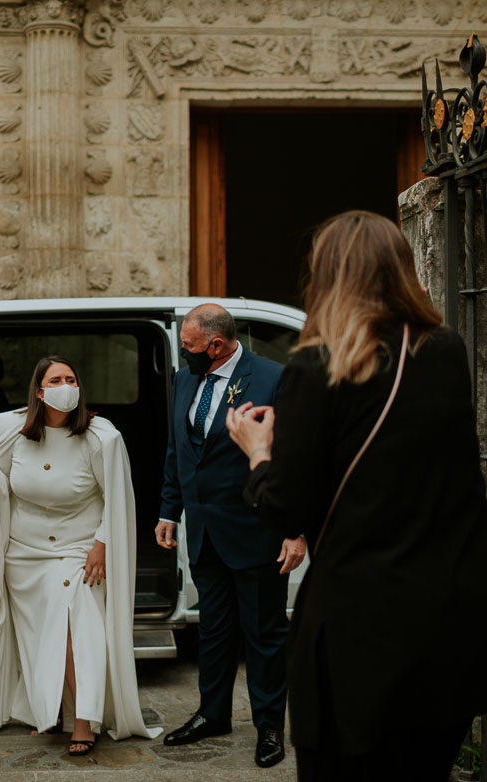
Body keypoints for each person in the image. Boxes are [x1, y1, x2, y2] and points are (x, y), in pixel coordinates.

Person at [225, 211, 487, 781]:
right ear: (402, 271)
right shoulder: (445, 352)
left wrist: (259, 449)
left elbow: (286, 508)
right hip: (454, 621)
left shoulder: (316, 367)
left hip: (364, 632)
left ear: (328, 276)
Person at [0, 356, 162, 753]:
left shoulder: (102, 437)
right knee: (39, 637)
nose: (66, 386)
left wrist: (102, 544)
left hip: (80, 551)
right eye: (56, 380)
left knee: (73, 633)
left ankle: (83, 720)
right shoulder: (10, 430)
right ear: (39, 391)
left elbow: (117, 496)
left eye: (72, 379)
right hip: (24, 555)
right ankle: (49, 712)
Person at [155, 303, 307, 769]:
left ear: (216, 346)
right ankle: (212, 714)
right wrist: (169, 510)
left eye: (190, 347)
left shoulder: (273, 379)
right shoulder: (185, 381)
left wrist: (295, 530)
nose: (185, 355)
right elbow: (178, 450)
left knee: (263, 634)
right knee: (214, 633)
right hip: (203, 532)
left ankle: (268, 727)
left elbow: (293, 457)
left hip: (256, 530)